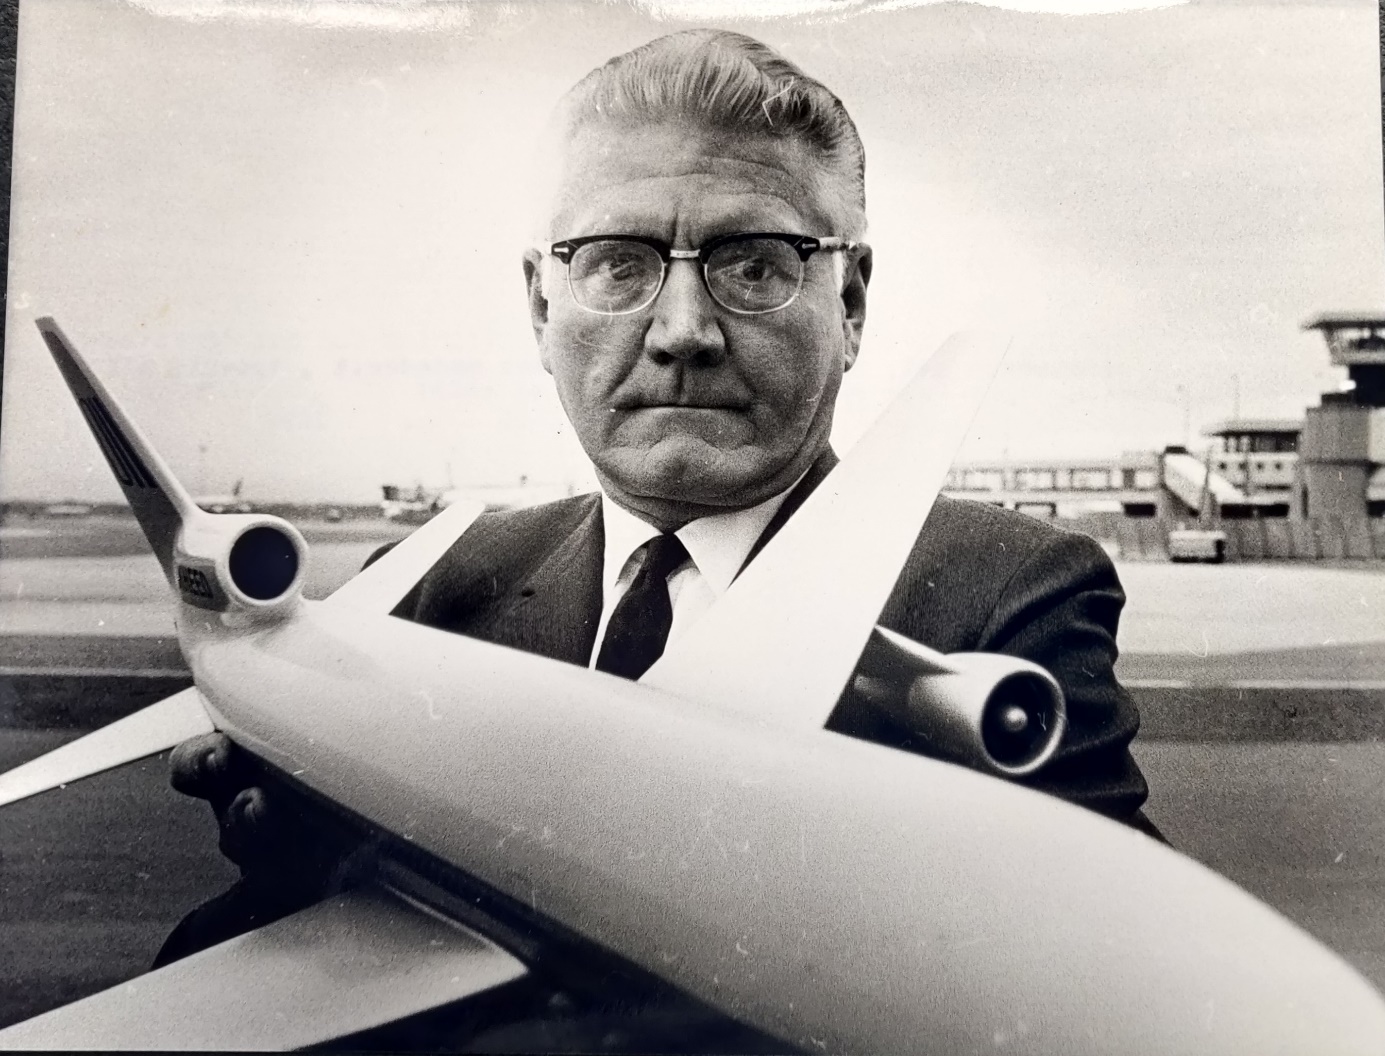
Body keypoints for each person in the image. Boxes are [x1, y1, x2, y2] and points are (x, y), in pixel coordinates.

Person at [159, 28, 1156, 1049]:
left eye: (757, 266)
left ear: (848, 306)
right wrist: (300, 882)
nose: (683, 329)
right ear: (540, 305)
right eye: (615, 264)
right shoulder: (430, 593)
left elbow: (1115, 991)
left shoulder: (999, 598)